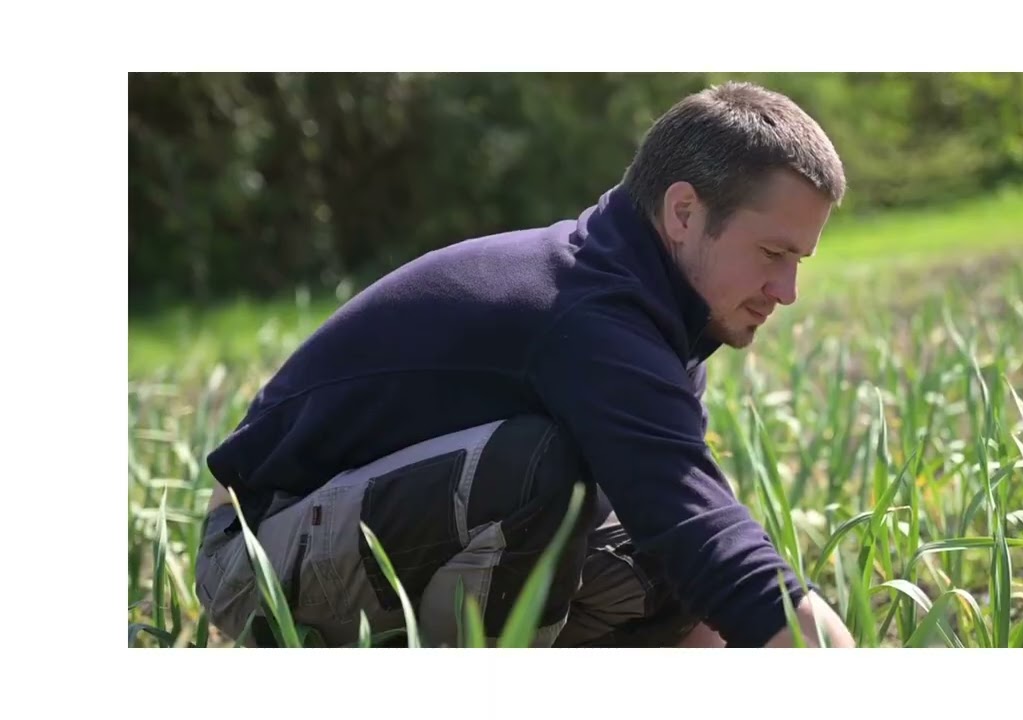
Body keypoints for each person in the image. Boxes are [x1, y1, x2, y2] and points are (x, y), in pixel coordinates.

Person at [196, 80, 856, 649]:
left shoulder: (654, 311)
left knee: (657, 547)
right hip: (257, 554)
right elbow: (707, 541)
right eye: (773, 252)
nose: (786, 291)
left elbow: (687, 534)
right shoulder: (587, 315)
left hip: (364, 529)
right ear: (684, 212)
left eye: (799, 261)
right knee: (541, 466)